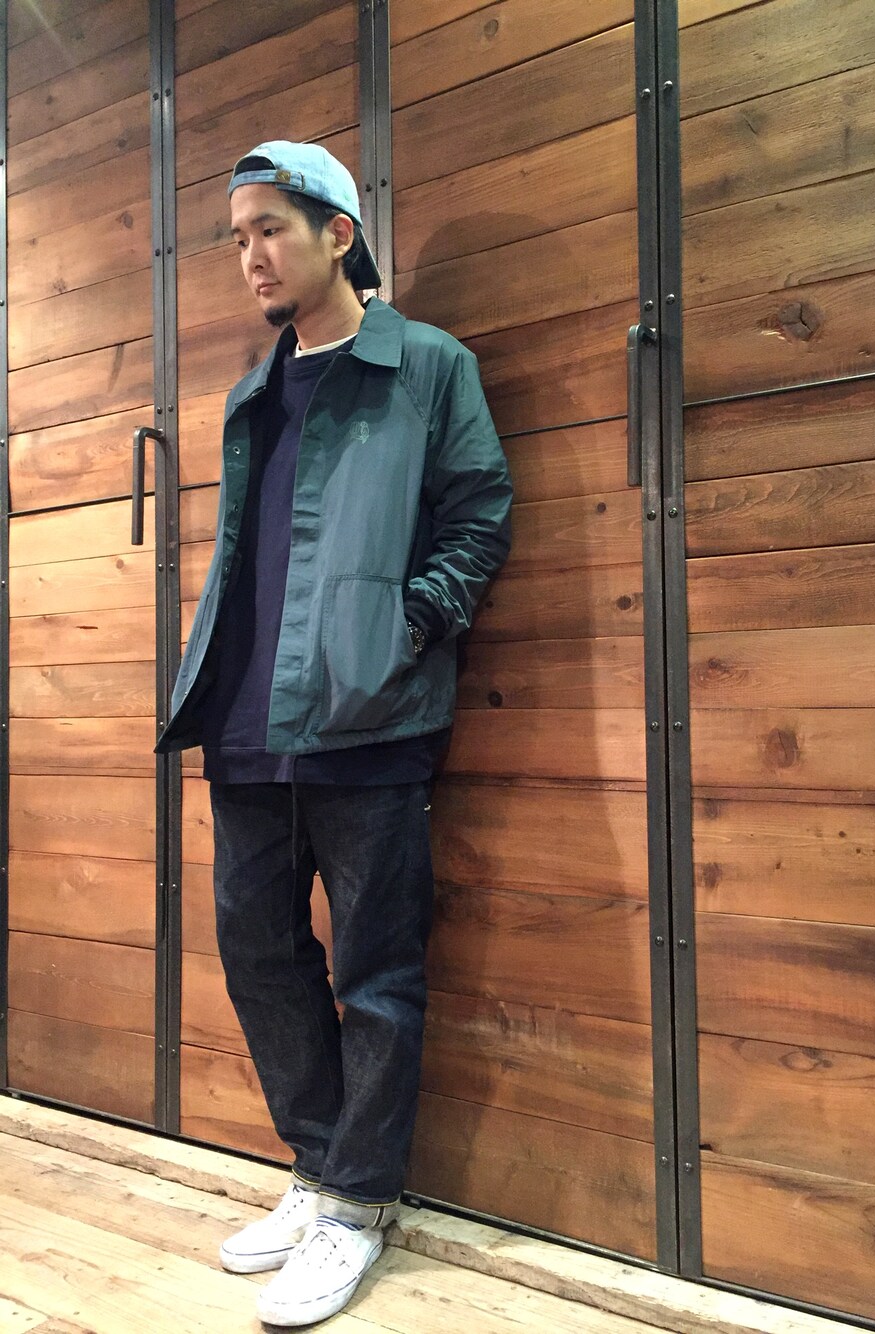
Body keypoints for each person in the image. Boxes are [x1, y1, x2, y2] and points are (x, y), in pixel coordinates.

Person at [155, 140, 512, 1327]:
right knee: (259, 956)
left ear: (338, 233)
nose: (250, 255)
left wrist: (406, 626)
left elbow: (478, 514)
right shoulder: (251, 393)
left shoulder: (426, 366)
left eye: (270, 227)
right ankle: (316, 1169)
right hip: (247, 724)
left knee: (377, 973)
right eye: (237, 236)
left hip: (370, 722)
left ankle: (358, 1205)